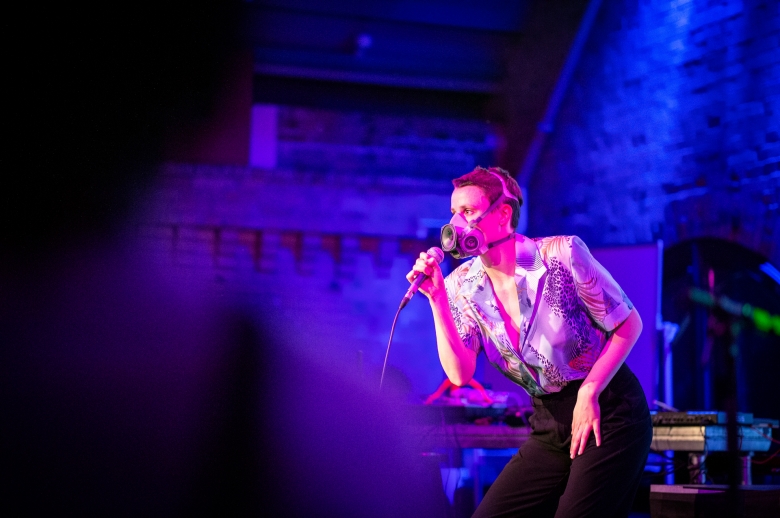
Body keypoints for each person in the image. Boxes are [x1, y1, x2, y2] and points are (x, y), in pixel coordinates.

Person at [407, 166, 652, 517]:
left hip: (608, 411)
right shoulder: (461, 285)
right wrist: (437, 300)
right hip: (549, 424)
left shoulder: (562, 254)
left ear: (503, 214)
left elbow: (629, 323)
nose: (457, 224)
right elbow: (460, 373)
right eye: (453, 213)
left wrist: (589, 392)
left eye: (469, 211)